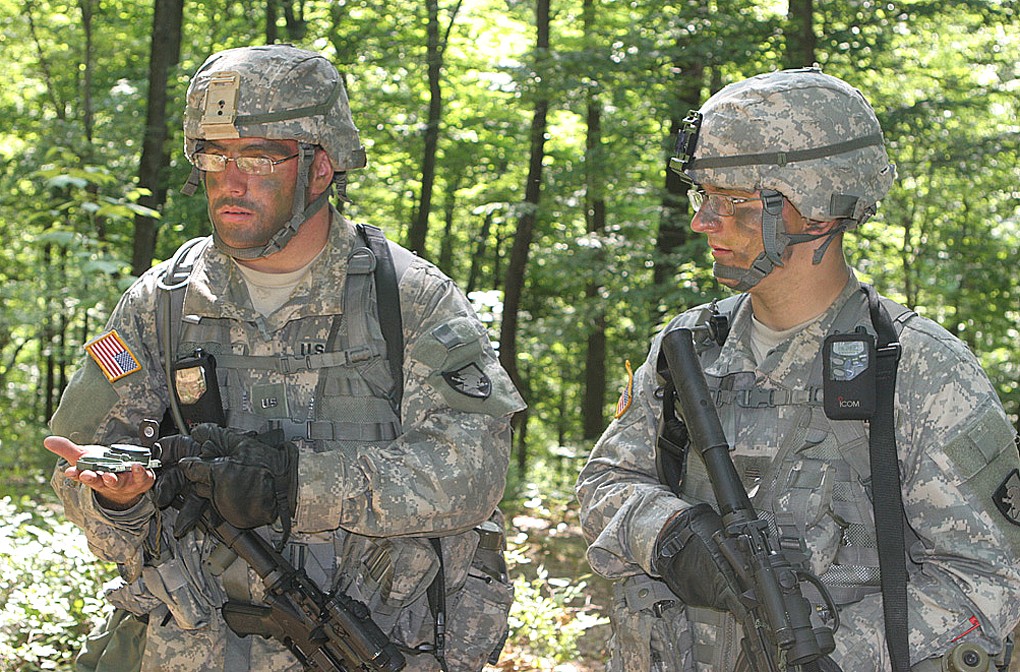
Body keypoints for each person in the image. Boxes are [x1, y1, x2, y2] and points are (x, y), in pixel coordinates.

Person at [45, 44, 526, 672]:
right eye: (215, 156)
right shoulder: (159, 305)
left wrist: (297, 485)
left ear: (320, 168)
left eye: (260, 157)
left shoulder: (405, 299)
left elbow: (474, 473)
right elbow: (80, 471)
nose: (231, 181)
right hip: (196, 648)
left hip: (368, 642)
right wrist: (120, 499)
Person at [575, 67, 1020, 671]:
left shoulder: (921, 372)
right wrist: (675, 535)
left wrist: (833, 653)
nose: (704, 221)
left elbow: (991, 576)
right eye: (703, 196)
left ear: (817, 209)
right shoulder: (687, 349)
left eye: (734, 201)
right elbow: (603, 484)